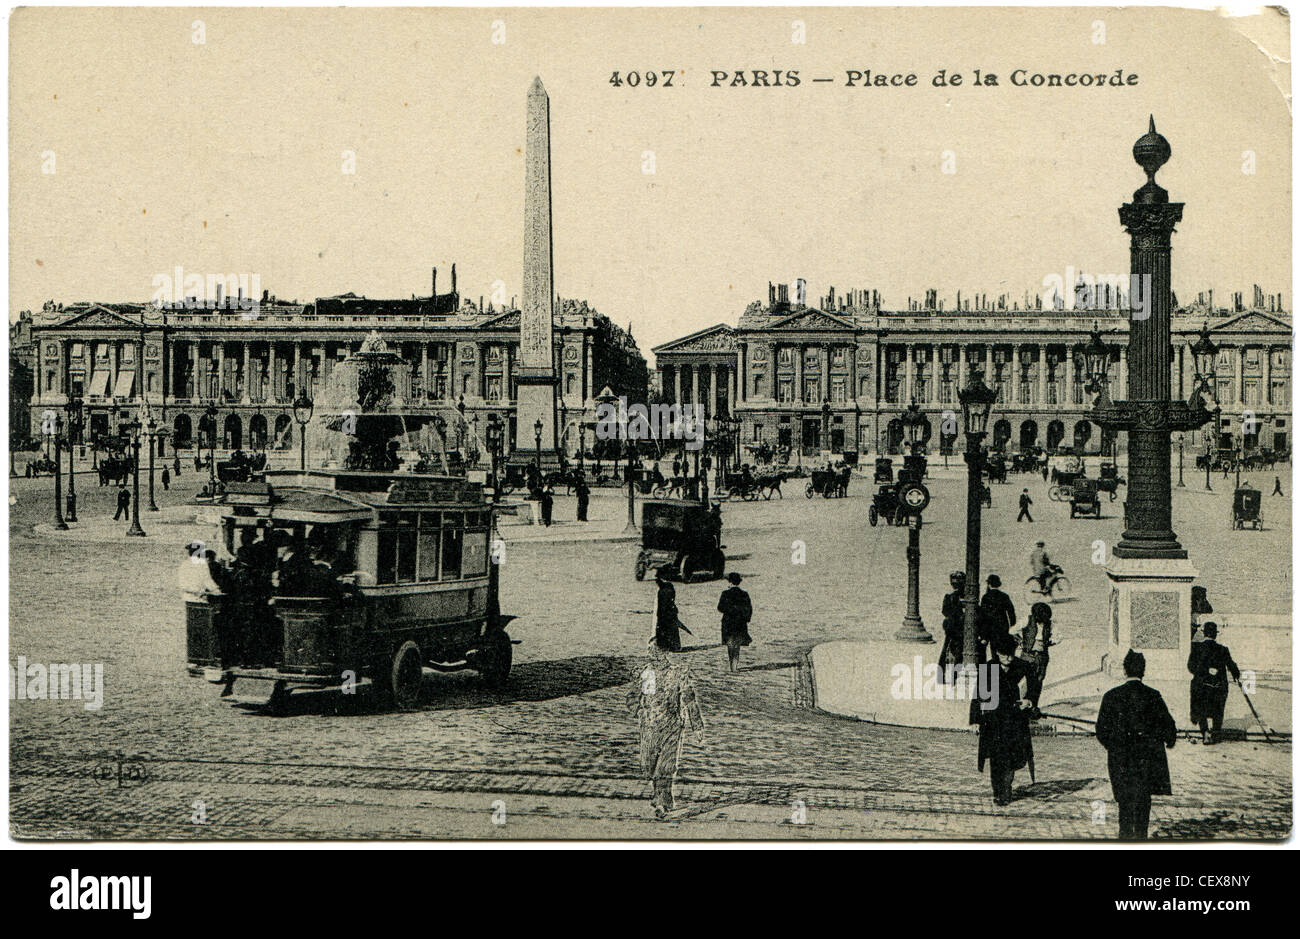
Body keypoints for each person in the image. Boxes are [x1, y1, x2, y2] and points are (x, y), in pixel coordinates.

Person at [1095, 650, 1177, 840]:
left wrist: (1114, 747)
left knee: (1124, 801)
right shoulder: (1153, 695)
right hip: (1146, 760)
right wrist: (1168, 740)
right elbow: (1169, 727)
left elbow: (1101, 730)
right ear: (1143, 671)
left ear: (1124, 670)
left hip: (1120, 759)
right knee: (1143, 800)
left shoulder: (1111, 696)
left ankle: (1124, 837)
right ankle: (1140, 838)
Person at [630, 637, 705, 817]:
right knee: (648, 766)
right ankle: (660, 796)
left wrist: (697, 726)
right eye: (650, 650)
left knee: (666, 766)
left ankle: (662, 803)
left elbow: (689, 699)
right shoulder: (646, 673)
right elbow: (632, 697)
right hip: (649, 727)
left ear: (664, 653)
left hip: (672, 726)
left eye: (655, 650)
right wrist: (639, 711)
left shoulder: (677, 673)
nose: (652, 654)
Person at [977, 632, 1035, 806]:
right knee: (996, 758)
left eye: (1011, 653)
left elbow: (1033, 689)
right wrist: (977, 720)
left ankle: (1006, 788)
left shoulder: (1023, 667)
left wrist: (1029, 701)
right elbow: (979, 697)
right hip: (994, 723)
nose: (1009, 658)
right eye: (1004, 654)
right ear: (997, 653)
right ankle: (999, 791)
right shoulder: (988, 669)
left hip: (1015, 722)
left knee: (1012, 758)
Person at [1187, 622, 1240, 745]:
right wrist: (1236, 675)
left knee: (1201, 709)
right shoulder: (1223, 649)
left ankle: (1205, 733)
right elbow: (1232, 666)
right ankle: (1215, 733)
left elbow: (1191, 667)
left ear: (1204, 633)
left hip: (1201, 686)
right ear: (1215, 635)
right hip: (1218, 686)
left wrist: (1205, 672)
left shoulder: (1196, 648)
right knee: (1218, 710)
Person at [1018, 601, 1054, 710]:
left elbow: (1059, 636)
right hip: (1028, 655)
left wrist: (1050, 642)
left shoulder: (1049, 624)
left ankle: (1033, 706)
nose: (1043, 622)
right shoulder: (1027, 620)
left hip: (1042, 657)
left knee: (1038, 681)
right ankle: (1021, 704)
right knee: (1027, 681)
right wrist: (1020, 641)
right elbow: (1012, 631)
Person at [717, 572, 753, 672]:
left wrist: (729, 610)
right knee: (737, 644)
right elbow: (749, 609)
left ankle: (731, 663)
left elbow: (720, 607)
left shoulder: (725, 593)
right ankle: (735, 665)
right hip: (740, 622)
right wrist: (746, 618)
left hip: (728, 622)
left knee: (730, 643)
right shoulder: (744, 594)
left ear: (730, 582)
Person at [938, 570, 967, 680]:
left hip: (951, 628)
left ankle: (941, 676)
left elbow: (944, 612)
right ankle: (956, 676)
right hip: (960, 628)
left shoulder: (948, 597)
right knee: (959, 652)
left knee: (946, 650)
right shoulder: (965, 598)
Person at [979, 574, 1016, 651]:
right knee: (1000, 649)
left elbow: (982, 615)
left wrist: (982, 632)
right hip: (1002, 626)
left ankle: (993, 663)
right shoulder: (1004, 596)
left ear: (989, 584)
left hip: (989, 627)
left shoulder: (986, 597)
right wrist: (1012, 625)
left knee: (991, 649)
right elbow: (1011, 612)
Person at [653, 569, 684, 653]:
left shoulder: (664, 589)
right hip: (669, 612)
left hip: (665, 613)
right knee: (670, 630)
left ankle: (665, 646)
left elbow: (664, 604)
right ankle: (672, 646)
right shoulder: (669, 587)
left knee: (666, 629)